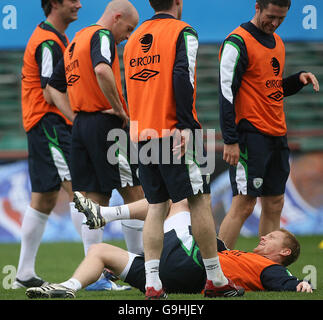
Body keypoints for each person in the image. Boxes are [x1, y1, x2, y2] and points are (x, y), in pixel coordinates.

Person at [122, 0, 245, 299]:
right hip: (174, 132)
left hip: (141, 133)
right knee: (199, 201)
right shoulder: (183, 31)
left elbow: (129, 87)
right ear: (178, 2)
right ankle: (215, 279)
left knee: (156, 206)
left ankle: (152, 283)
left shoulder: (133, 39)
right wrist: (186, 126)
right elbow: (183, 77)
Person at [25, 193, 313, 299]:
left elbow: (284, 281)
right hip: (172, 276)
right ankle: (69, 287)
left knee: (177, 202)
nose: (264, 237)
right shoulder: (237, 254)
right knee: (100, 252)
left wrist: (300, 284)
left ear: (284, 253)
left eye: (272, 238)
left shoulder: (265, 266)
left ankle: (105, 214)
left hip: (189, 268)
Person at [46, 0, 145, 289]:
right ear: (116, 18)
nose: (127, 36)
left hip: (82, 129)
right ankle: (140, 268)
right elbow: (103, 71)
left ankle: (95, 278)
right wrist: (119, 110)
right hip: (106, 126)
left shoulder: (75, 42)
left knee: (92, 201)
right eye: (128, 29)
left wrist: (75, 117)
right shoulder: (101, 36)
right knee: (134, 192)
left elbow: (52, 89)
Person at [218, 0, 320, 249]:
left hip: (277, 134)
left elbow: (270, 89)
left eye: (281, 19)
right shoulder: (238, 41)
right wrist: (230, 140)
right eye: (271, 16)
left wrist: (297, 81)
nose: (274, 23)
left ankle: (267, 266)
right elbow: (226, 93)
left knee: (275, 203)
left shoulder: (278, 43)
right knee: (244, 204)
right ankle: (218, 271)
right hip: (249, 136)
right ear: (257, 7)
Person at [13, 0, 82, 289]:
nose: (79, 4)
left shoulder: (55, 38)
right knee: (79, 190)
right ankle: (97, 273)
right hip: (49, 125)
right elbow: (49, 90)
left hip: (42, 126)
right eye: (72, 0)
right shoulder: (48, 42)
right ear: (54, 4)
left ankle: (23, 275)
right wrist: (76, 120)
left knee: (44, 199)